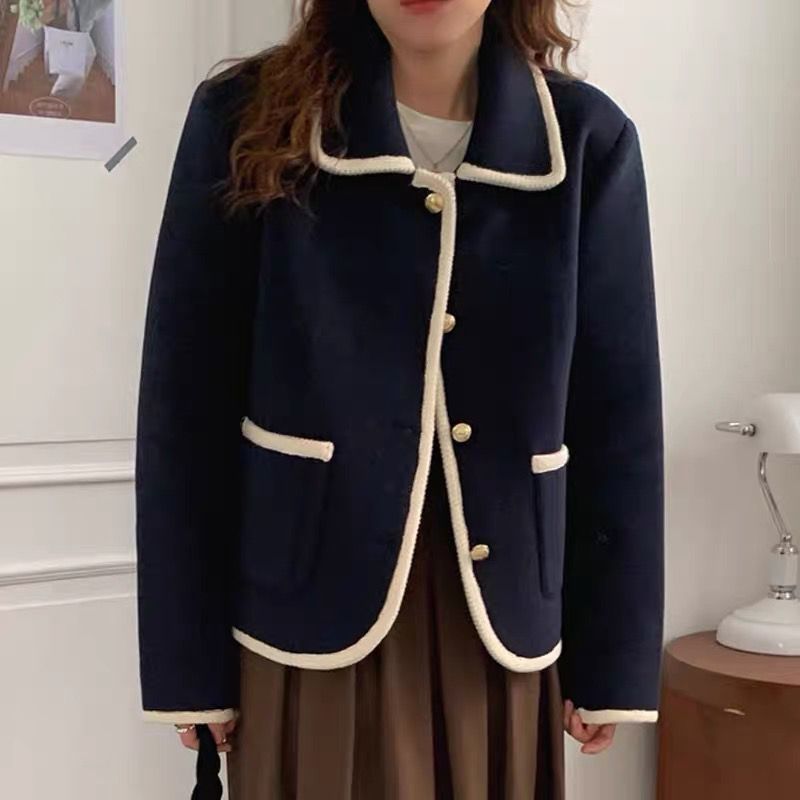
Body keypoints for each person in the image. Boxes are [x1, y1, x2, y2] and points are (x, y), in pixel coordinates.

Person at [134, 0, 665, 797]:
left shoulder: (587, 140)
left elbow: (620, 413)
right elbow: (185, 403)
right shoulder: (244, 118)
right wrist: (188, 664)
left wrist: (613, 659)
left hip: (497, 619)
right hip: (305, 618)